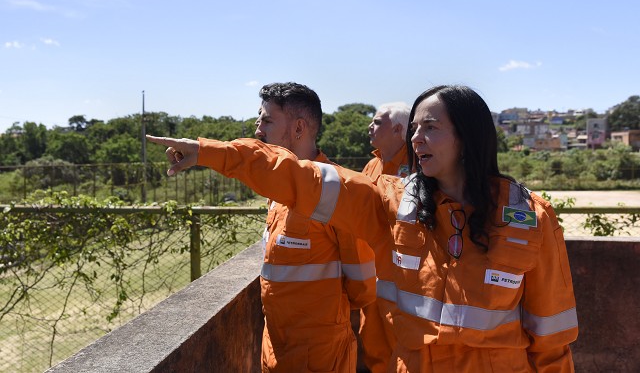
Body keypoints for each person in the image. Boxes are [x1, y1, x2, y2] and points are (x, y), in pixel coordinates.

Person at [147, 84, 578, 372]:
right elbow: (298, 176)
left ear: (469, 136)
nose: (416, 140)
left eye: (431, 128)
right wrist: (211, 152)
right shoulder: (387, 203)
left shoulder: (529, 220)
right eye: (414, 130)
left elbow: (553, 339)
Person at [249, 82, 378, 372]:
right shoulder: (279, 190)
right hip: (275, 349)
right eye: (259, 120)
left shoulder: (336, 191)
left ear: (298, 129)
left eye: (267, 121)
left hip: (320, 355)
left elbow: (363, 289)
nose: (258, 130)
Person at [358, 101, 411, 373]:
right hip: (373, 277)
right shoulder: (371, 167)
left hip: (407, 281)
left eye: (378, 122)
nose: (370, 126)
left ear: (399, 129)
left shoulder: (420, 167)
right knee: (374, 345)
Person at [363, 101, 411, 179]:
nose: (370, 126)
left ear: (397, 129)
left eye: (377, 122)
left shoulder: (420, 165)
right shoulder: (371, 165)